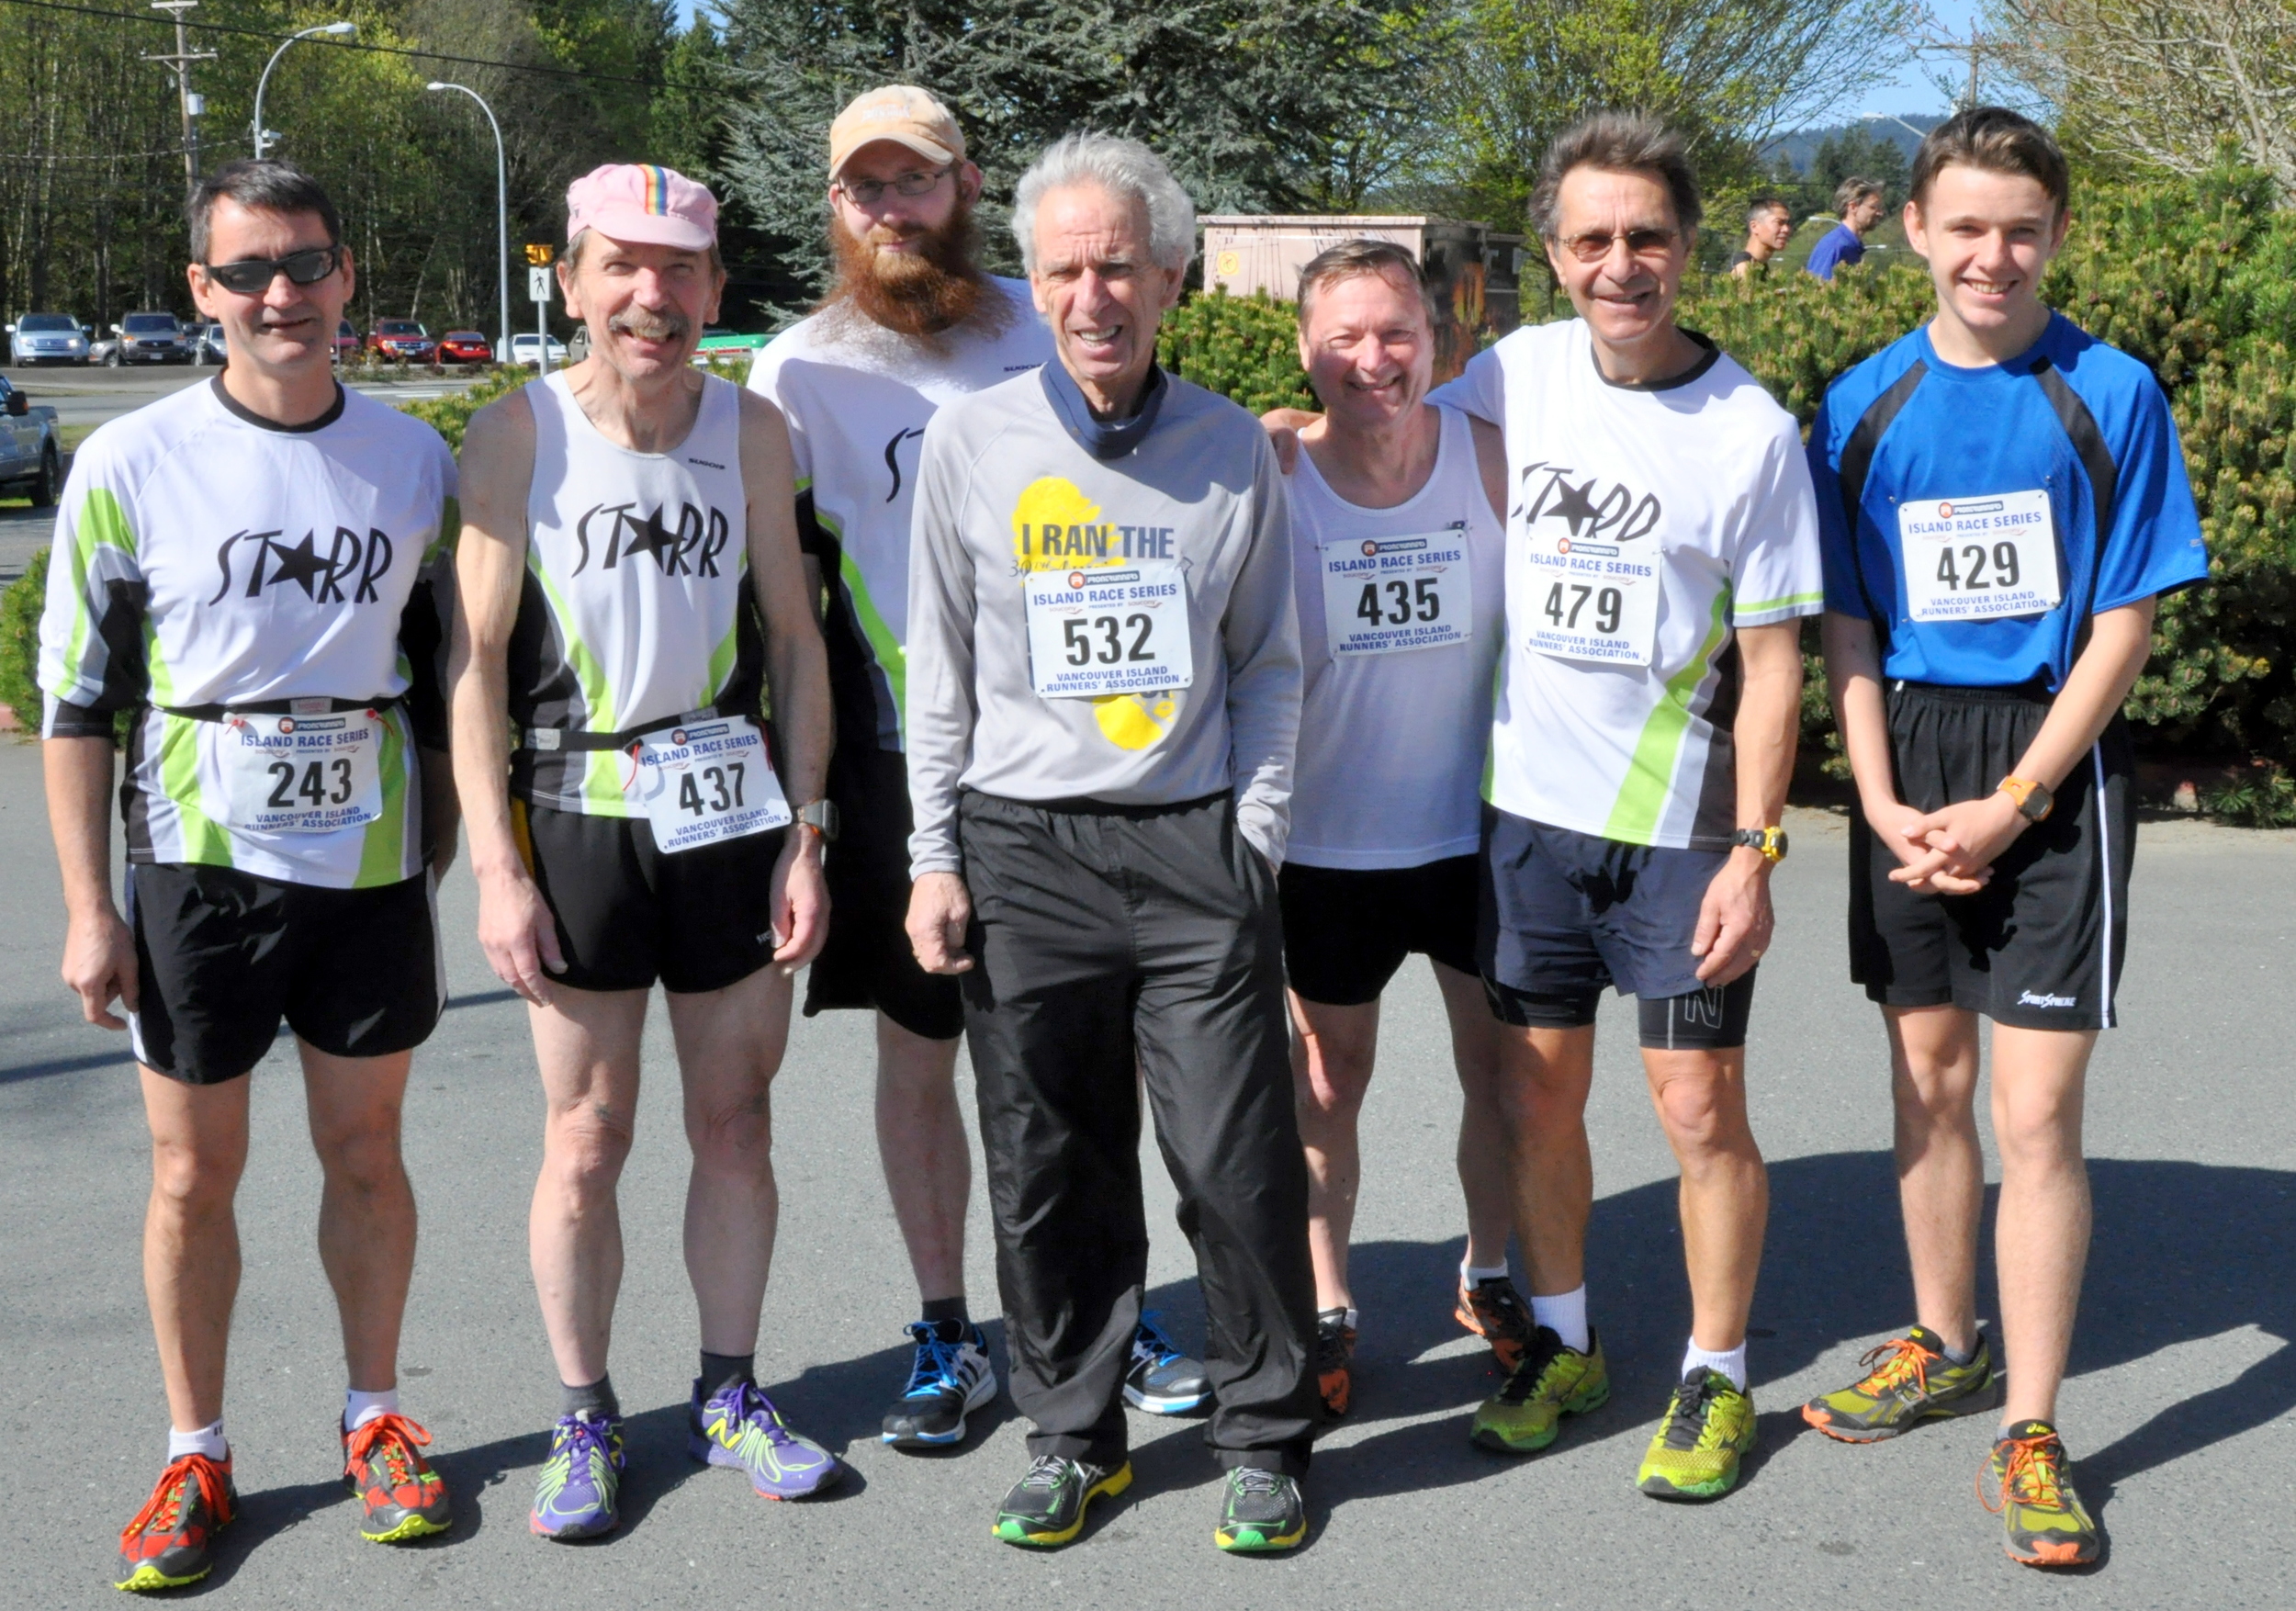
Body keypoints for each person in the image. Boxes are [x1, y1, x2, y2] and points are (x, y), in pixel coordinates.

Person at [748, 84, 1209, 1450]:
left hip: (1076, 751)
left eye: (918, 182)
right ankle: (949, 1328)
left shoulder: (1051, 317)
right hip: (903, 763)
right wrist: (809, 819)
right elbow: (790, 615)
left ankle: (1115, 1313)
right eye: (864, 189)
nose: (892, 210)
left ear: (966, 184)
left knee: (1086, 1051)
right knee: (920, 1051)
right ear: (836, 207)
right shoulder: (800, 369)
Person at [38, 159, 459, 1591]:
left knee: (365, 1153)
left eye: (308, 263)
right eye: (248, 271)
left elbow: (450, 661)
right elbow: (79, 701)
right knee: (189, 1172)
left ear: (349, 276)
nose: (282, 293)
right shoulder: (131, 459)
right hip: (197, 866)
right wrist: (91, 907)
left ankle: (377, 1412)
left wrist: (463, 837)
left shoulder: (415, 459)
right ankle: (194, 1445)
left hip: (368, 868)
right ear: (202, 289)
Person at [1803, 107, 2208, 1568]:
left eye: (2020, 228)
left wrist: (2019, 796)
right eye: (1965, 224)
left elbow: (2124, 620)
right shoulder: (1860, 402)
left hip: (2048, 768)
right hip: (1906, 759)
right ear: (1913, 227)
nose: (1993, 252)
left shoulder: (2111, 390)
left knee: (2032, 1116)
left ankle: (2029, 1422)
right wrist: (1879, 789)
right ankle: (1940, 1338)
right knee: (1926, 1074)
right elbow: (1846, 618)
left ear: (2055, 234)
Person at [905, 132, 1319, 1553]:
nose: (1095, 295)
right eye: (1067, 268)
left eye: (1121, 266)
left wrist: (1252, 833)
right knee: (1047, 1161)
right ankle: (1075, 1434)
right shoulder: (971, 443)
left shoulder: (1229, 449)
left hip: (1195, 850)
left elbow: (1270, 662)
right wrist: (932, 856)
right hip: (1023, 853)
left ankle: (1264, 1432)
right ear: (1033, 281)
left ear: (1172, 277)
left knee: (1232, 1155)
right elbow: (939, 669)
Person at [1429, 111, 1822, 1500]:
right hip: (1524, 817)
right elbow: (1385, 433)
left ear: (1689, 246)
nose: (1621, 264)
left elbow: (1776, 663)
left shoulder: (1752, 431)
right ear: (1552, 252)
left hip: (1682, 830)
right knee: (1535, 1099)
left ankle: (1717, 1372)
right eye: (1591, 239)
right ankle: (1570, 1343)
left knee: (1699, 1107)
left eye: (1647, 236)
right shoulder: (1512, 373)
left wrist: (1758, 848)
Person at [448, 163, 838, 1539]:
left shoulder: (757, 429)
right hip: (580, 818)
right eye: (621, 266)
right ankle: (586, 1412)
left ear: (717, 291)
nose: (649, 296)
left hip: (732, 812)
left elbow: (795, 638)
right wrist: (497, 866)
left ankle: (730, 1393)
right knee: (587, 1133)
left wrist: (809, 834)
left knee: (735, 1120)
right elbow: (475, 665)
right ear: (573, 279)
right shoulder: (516, 433)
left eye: (679, 271)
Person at [1274, 238, 1521, 1420]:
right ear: (1307, 349)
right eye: (1345, 337)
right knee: (1328, 1087)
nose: (1374, 359)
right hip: (1324, 848)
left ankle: (1490, 1271)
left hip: (1474, 836)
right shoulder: (1271, 473)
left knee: (1504, 1073)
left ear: (1436, 340)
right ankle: (1330, 1299)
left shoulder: (1489, 457)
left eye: (1396, 332)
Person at [1807, 177, 1885, 281]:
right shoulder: (1836, 246)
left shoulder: (1851, 246)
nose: (1880, 213)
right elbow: (1820, 292)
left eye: (1880, 208)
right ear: (1853, 207)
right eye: (1873, 207)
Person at [1729, 197, 1795, 279]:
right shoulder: (1744, 268)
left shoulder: (1761, 267)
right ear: (1754, 227)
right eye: (1779, 223)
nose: (1786, 229)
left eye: (1788, 224)